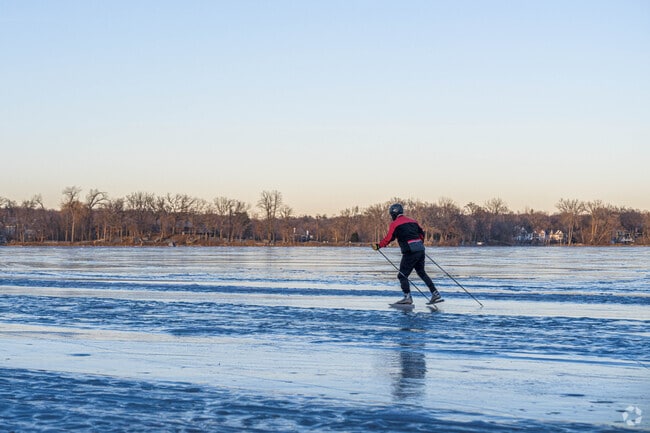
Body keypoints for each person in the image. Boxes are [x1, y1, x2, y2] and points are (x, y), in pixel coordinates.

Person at [372, 203, 442, 305]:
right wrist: (419, 244)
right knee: (421, 272)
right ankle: (435, 293)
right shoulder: (413, 221)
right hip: (420, 249)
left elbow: (389, 238)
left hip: (410, 251)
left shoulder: (395, 224)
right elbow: (421, 233)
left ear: (393, 214)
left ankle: (407, 297)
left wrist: (378, 246)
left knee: (402, 275)